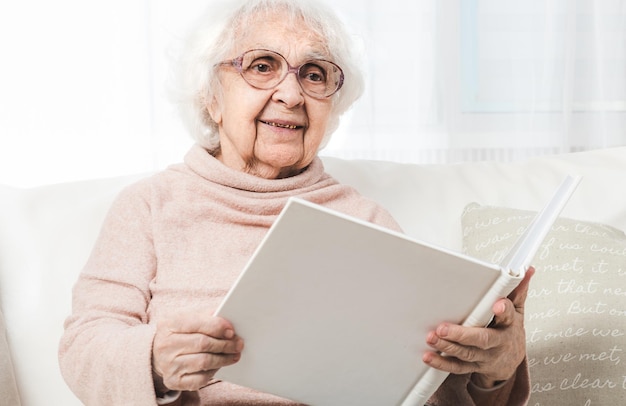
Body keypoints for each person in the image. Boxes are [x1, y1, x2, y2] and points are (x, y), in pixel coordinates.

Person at [58, 0, 531, 404]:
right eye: (261, 66)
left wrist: (496, 370)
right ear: (211, 97)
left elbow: (421, 388)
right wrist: (154, 360)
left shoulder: (365, 219)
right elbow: (83, 345)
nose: (291, 94)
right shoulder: (150, 206)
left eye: (314, 74)